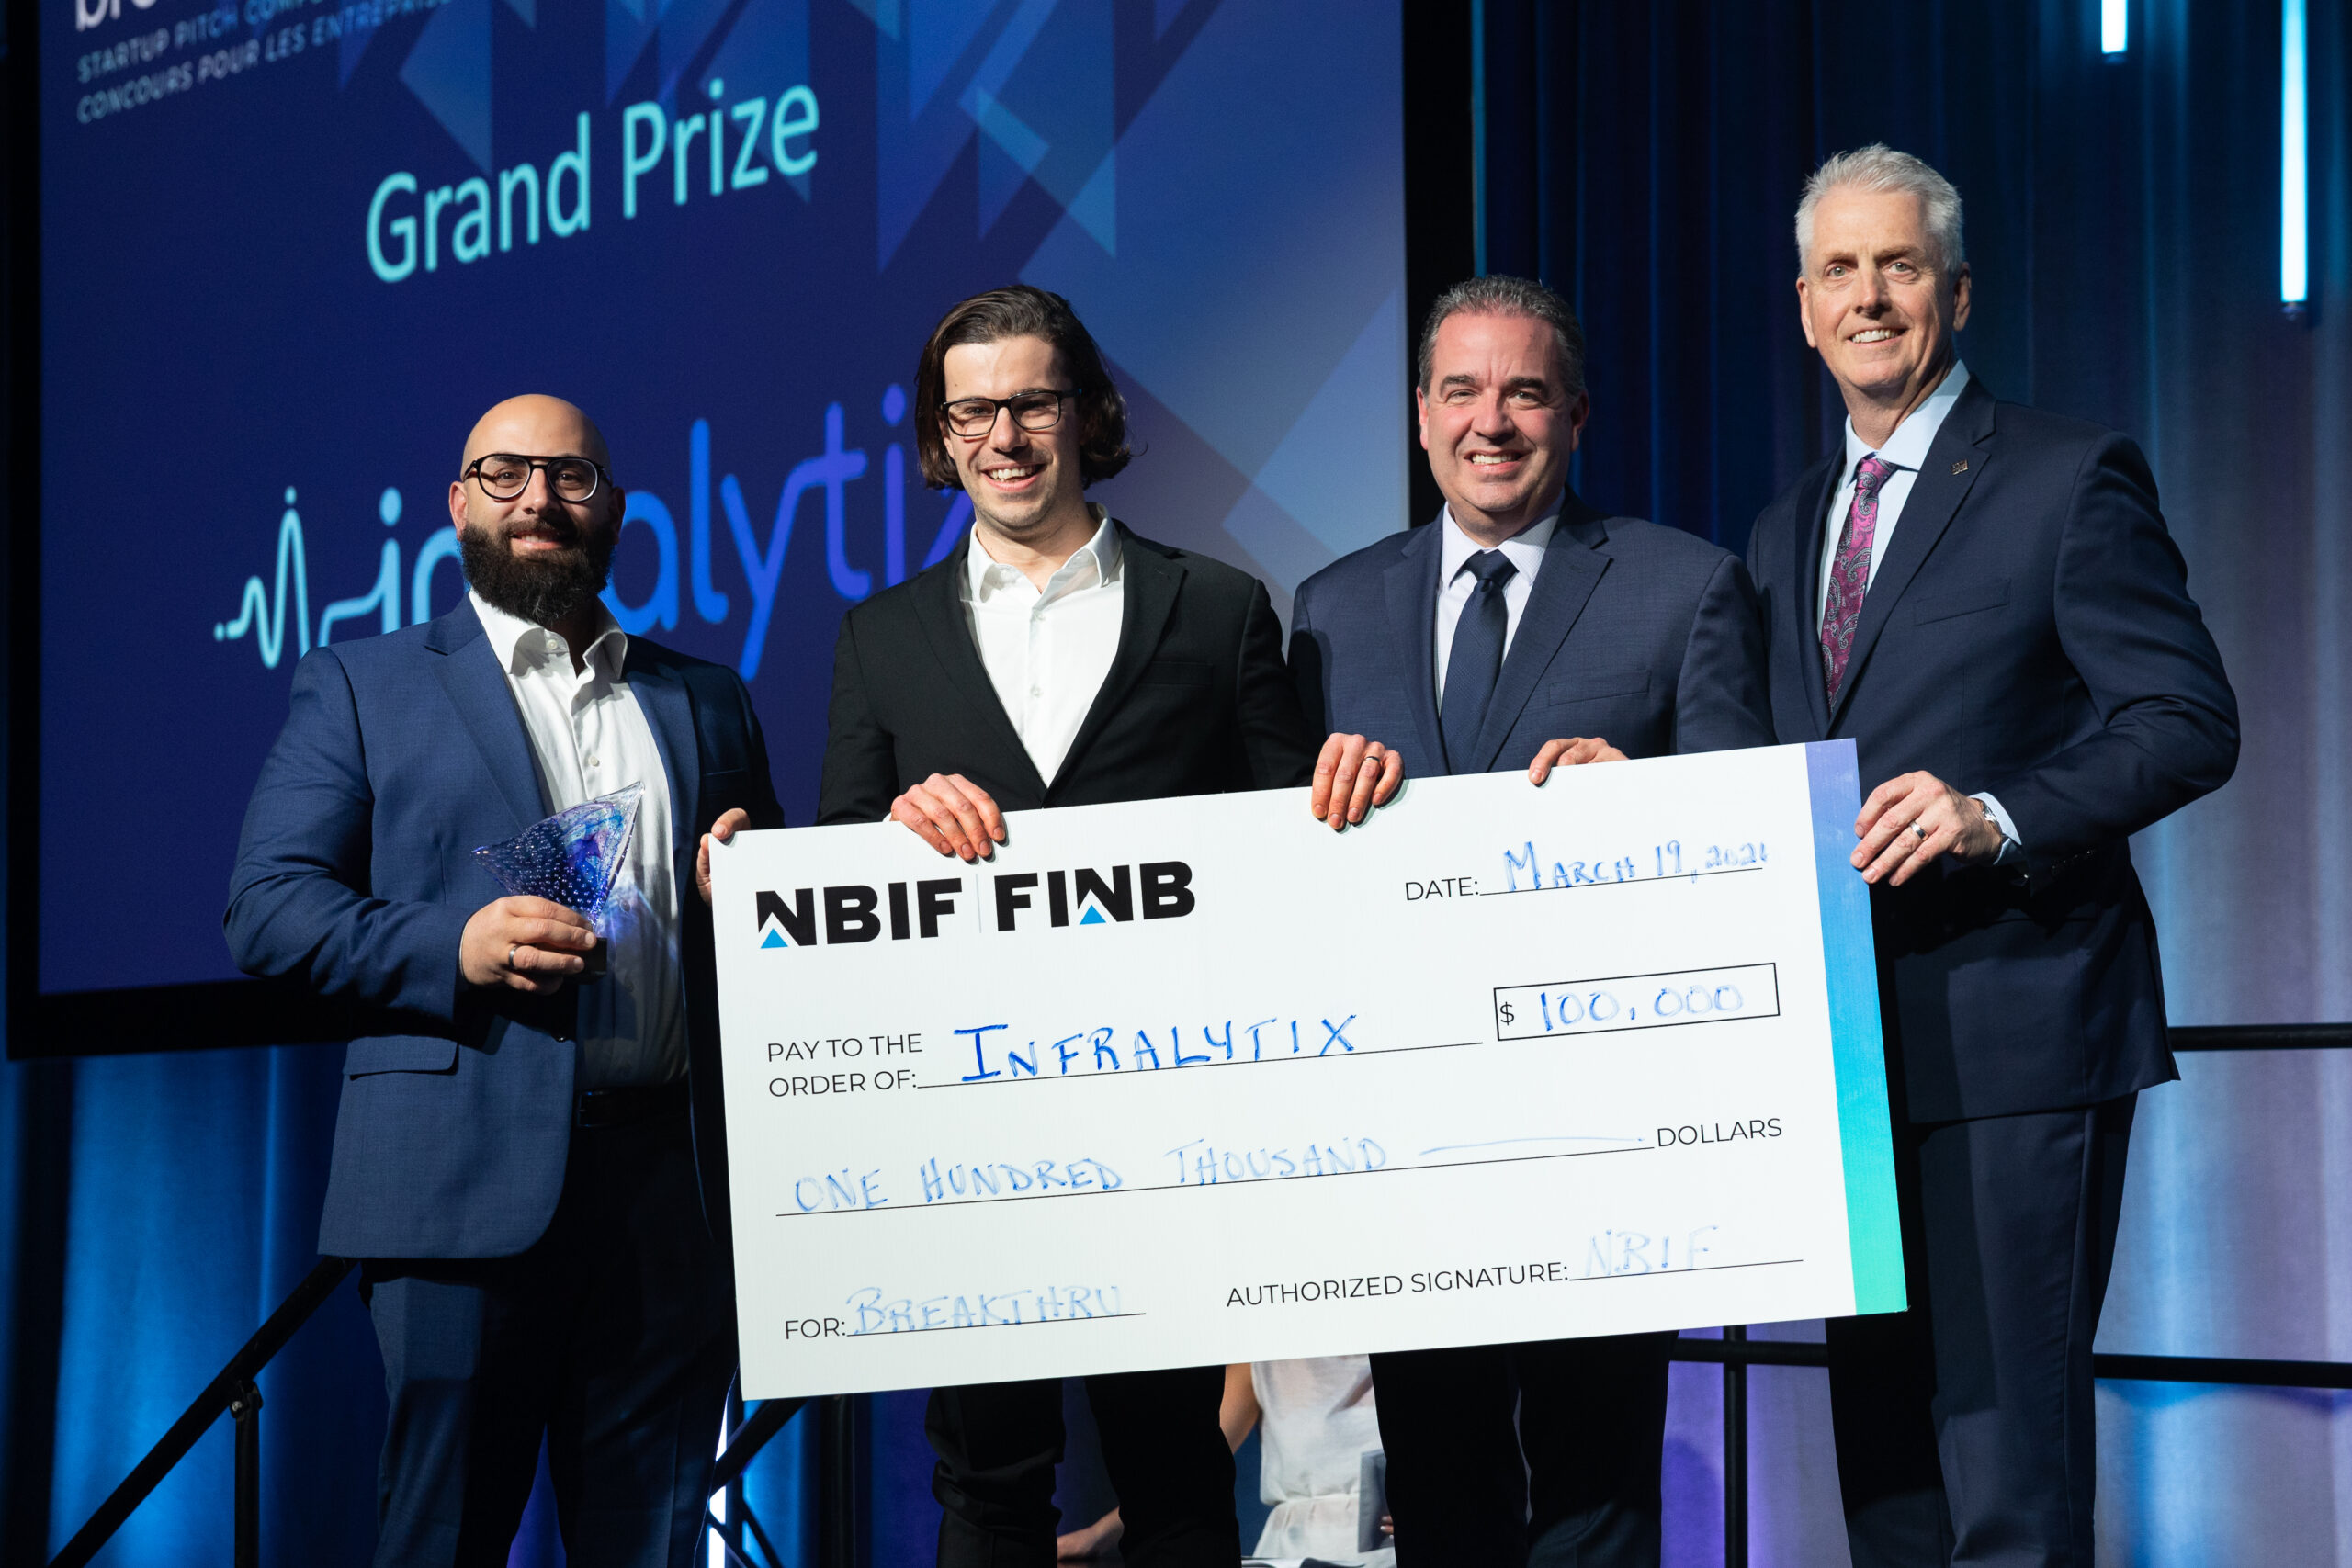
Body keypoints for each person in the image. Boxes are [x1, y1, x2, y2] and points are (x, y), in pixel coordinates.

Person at [817, 283, 1400, 1567]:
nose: (1004, 436)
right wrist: (889, 829)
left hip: (1168, 1129)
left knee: (1176, 1472)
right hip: (971, 1138)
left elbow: (1290, 860)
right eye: (972, 412)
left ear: (1086, 412)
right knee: (985, 1484)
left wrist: (1358, 796)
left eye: (1032, 403)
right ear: (940, 435)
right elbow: (839, 893)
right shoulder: (883, 637)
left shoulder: (1216, 606)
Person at [1744, 145, 2238, 1567]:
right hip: (1848, 1066)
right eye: (1840, 270)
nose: (1869, 296)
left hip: (2021, 1041)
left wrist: (1996, 812)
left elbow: (2188, 720)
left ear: (1955, 293)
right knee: (1889, 1485)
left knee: (2009, 1483)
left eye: (1898, 266)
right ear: (1803, 307)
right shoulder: (1786, 526)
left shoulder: (2067, 476)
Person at [226, 395, 782, 1567]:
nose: (539, 499)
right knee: (444, 1542)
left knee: (651, 1545)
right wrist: (454, 948)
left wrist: (753, 889)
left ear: (614, 508)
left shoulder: (705, 696)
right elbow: (268, 908)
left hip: (671, 1199)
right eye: (504, 473)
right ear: (458, 503)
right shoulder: (364, 682)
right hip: (457, 1190)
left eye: (571, 477)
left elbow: (765, 926)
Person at [1286, 274, 1776, 1568]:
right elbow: (1292, 885)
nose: (1489, 421)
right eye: (1460, 390)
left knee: (1596, 1491)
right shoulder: (1330, 609)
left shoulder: (1688, 585)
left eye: (1524, 392)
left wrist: (1655, 805)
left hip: (1603, 1130)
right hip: (1409, 1138)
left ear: (1577, 414)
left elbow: (1749, 858)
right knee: (1440, 1486)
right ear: (1419, 413)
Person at [1059, 1359, 1395, 1566]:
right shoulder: (1264, 1364)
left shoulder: (1404, 1352)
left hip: (1388, 1549)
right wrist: (1097, 1535)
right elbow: (1182, 1479)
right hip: (1295, 1547)